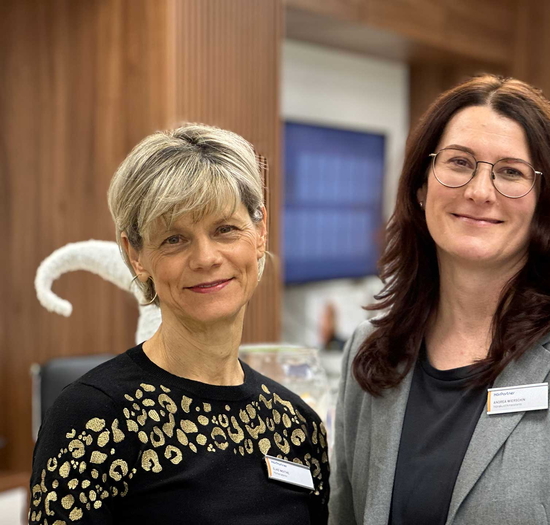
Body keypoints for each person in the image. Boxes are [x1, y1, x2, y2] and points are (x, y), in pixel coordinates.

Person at [329, 75, 550, 525]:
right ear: (421, 187)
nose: (479, 191)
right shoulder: (371, 350)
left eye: (510, 172)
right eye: (459, 162)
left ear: (545, 203)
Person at [29, 124, 330, 524]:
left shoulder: (297, 424)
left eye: (225, 229)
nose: (206, 258)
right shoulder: (93, 419)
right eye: (174, 239)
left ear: (260, 232)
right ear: (136, 255)